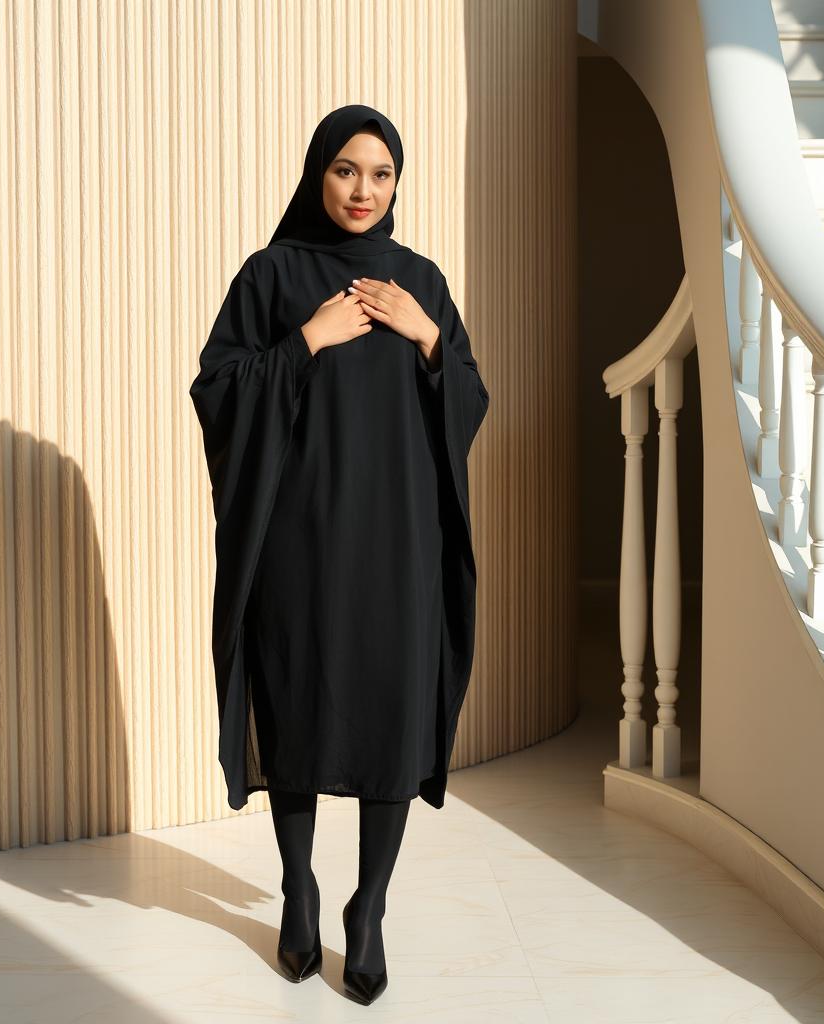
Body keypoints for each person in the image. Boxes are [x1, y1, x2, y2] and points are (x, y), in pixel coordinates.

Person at [189, 104, 489, 1005]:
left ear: (399, 184)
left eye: (383, 174)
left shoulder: (421, 281)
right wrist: (306, 341)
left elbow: (469, 400)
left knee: (390, 721)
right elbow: (215, 388)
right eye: (348, 170)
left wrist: (430, 338)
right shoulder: (273, 276)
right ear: (319, 173)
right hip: (299, 544)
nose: (365, 190)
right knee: (299, 715)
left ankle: (371, 908)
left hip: (400, 545)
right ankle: (299, 889)